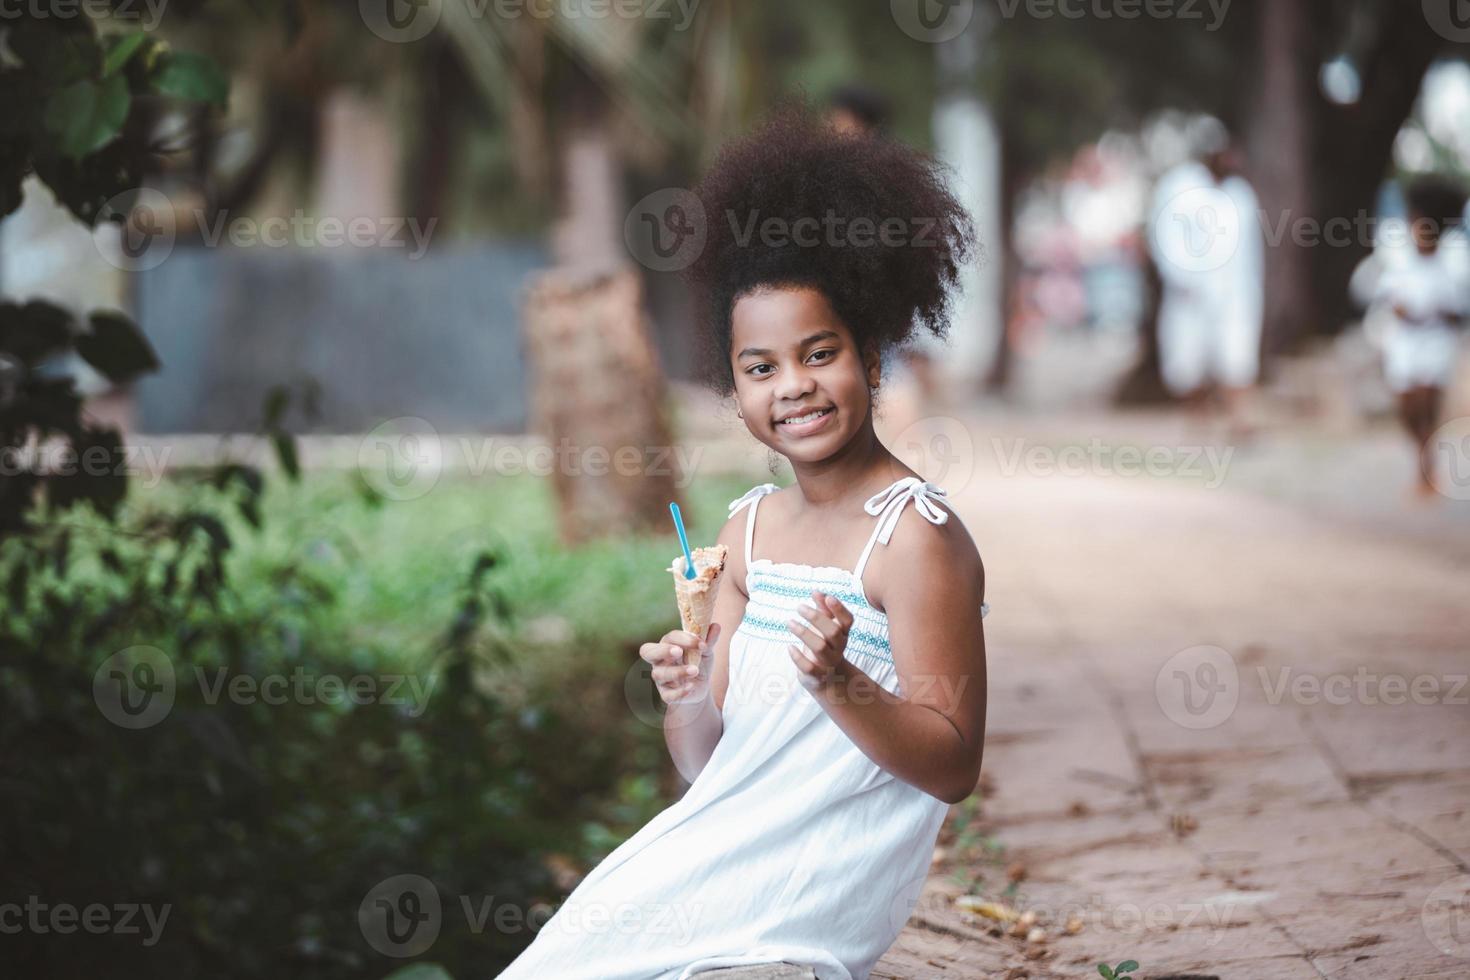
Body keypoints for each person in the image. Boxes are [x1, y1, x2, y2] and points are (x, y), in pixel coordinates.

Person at [496, 101, 990, 980]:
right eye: (760, 368)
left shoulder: (916, 540)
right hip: (701, 865)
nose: (792, 387)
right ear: (734, 391)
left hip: (794, 915)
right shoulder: (746, 532)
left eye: (819, 353)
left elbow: (952, 766)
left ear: (871, 355)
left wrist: (841, 682)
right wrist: (686, 696)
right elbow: (706, 768)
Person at [1148, 127, 1265, 436]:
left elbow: (1249, 250)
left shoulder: (1240, 194)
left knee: (1237, 357)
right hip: (1189, 294)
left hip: (1235, 295)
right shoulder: (1179, 187)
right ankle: (1197, 420)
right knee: (1187, 364)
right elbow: (1164, 238)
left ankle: (1240, 420)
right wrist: (1181, 278)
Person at [1364, 175, 1469, 497]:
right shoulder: (1396, 251)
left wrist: (1435, 313)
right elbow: (1382, 291)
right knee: (1408, 408)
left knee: (1427, 402)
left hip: (1436, 341)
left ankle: (1428, 472)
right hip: (1404, 342)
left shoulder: (1455, 258)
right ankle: (1425, 460)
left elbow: (1459, 308)